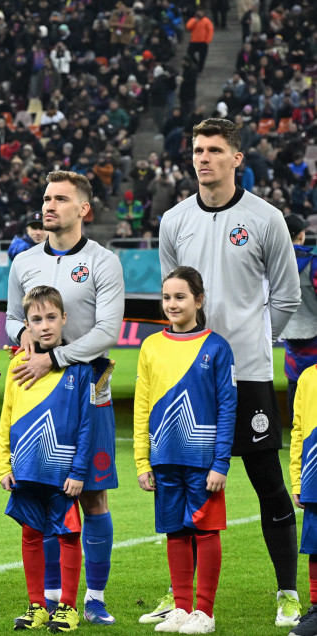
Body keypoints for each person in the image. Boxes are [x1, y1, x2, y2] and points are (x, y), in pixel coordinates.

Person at [159, 118, 302, 628]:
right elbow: (172, 294)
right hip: (189, 377)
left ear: (237, 158)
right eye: (198, 149)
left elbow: (287, 294)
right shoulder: (174, 221)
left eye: (215, 150)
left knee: (266, 478)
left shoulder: (266, 219)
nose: (204, 158)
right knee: (189, 485)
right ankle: (185, 599)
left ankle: (287, 590)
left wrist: (252, 342)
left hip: (248, 374)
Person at [6, 170, 125, 625]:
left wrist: (54, 357)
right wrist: (28, 340)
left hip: (89, 386)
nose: (49, 206)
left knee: (92, 496)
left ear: (84, 209)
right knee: (44, 491)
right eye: (46, 198)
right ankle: (53, 598)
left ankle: (93, 597)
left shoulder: (103, 261)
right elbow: (13, 321)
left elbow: (107, 332)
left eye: (60, 199)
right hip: (38, 388)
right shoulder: (24, 263)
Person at [134, 267, 236, 634]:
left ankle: (204, 613)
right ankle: (181, 607)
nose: (172, 304)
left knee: (206, 532)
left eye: (180, 297)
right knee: (175, 532)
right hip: (164, 459)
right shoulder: (151, 345)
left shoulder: (217, 347)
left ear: (199, 300)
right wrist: (143, 460)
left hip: (203, 460)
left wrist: (220, 463)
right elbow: (142, 405)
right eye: (166, 297)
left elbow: (227, 408)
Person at [0, 286, 94, 632]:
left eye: (51, 317)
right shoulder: (16, 365)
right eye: (37, 319)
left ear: (64, 318)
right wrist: (4, 465)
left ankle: (68, 607)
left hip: (63, 474)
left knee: (68, 536)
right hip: (25, 471)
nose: (45, 325)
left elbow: (87, 424)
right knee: (30, 536)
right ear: (27, 325)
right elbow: (6, 419)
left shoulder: (78, 368)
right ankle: (37, 605)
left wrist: (79, 470)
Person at [282, 214, 317, 424]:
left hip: (289, 337)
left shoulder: (271, 266)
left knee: (295, 385)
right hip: (314, 337)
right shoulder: (313, 265)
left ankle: (297, 430)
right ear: (301, 236)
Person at [291, 363, 317, 636]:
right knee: (315, 543)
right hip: (315, 473)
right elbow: (298, 430)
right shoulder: (308, 377)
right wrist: (298, 479)